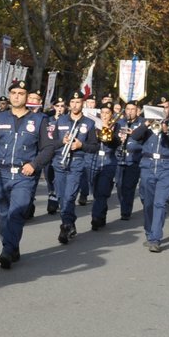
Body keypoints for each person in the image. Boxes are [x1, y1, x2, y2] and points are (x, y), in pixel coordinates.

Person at [0, 81, 54, 267]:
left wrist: (35, 165)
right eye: (14, 93)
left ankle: (7, 251)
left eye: (21, 93)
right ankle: (12, 247)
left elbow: (48, 148)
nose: (17, 96)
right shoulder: (0, 118)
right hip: (2, 174)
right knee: (3, 215)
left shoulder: (39, 120)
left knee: (17, 212)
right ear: (10, 95)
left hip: (24, 175)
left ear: (27, 97)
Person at [133, 96, 169, 253]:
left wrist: (167, 132)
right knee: (148, 202)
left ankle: (156, 238)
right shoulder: (146, 122)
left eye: (166, 107)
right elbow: (135, 137)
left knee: (160, 203)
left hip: (167, 166)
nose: (163, 110)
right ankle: (149, 232)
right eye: (160, 107)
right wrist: (146, 124)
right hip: (148, 165)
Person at [49, 92, 96, 243]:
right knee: (62, 197)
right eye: (73, 102)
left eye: (78, 102)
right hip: (60, 162)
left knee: (70, 196)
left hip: (76, 163)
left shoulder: (89, 123)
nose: (75, 105)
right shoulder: (60, 120)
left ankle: (65, 225)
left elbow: (94, 147)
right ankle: (70, 222)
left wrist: (81, 145)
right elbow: (52, 144)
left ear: (83, 103)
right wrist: (63, 141)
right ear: (69, 104)